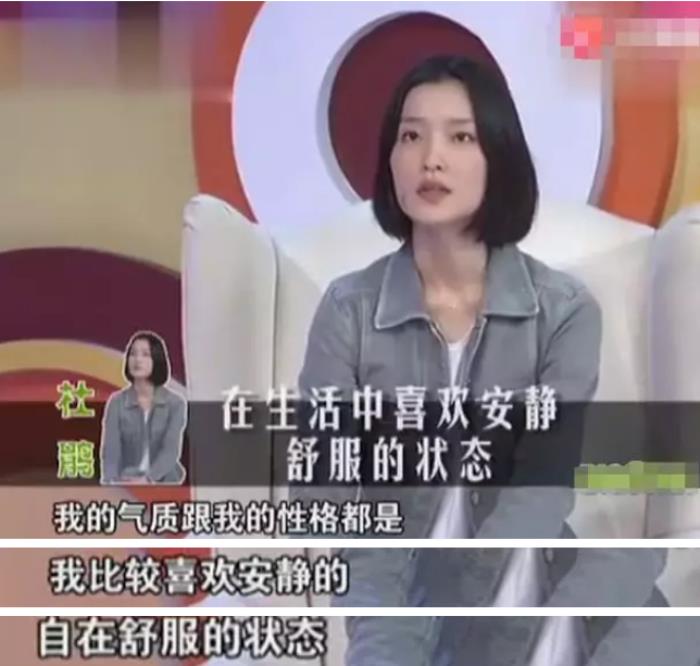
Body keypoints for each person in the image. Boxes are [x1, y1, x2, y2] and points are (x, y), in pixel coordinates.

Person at [293, 54, 665, 664]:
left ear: (498, 156)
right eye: (410, 136)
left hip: (531, 574)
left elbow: (541, 490)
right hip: (392, 585)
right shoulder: (348, 310)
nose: (430, 158)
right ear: (390, 161)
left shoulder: (564, 311)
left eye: (460, 137)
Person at [100, 331, 186, 485]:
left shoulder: (175, 403)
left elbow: (170, 451)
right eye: (133, 354)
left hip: (164, 482)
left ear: (157, 360)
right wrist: (110, 483)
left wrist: (148, 479)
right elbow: (111, 452)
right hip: (127, 480)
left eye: (145, 354)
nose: (137, 359)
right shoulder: (117, 402)